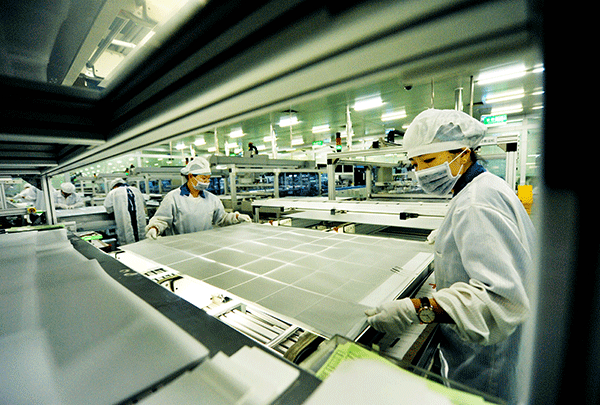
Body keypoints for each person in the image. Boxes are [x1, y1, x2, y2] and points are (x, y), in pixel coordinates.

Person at [364, 109, 535, 403]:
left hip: (486, 360)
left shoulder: (477, 202)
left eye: (429, 160)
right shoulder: (482, 188)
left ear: (463, 154)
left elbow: (499, 299)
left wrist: (416, 309)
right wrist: (450, 234)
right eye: (415, 164)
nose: (421, 172)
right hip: (491, 352)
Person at [145, 157, 251, 239]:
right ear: (191, 176)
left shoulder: (212, 199)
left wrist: (236, 217)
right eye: (203, 178)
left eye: (208, 178)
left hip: (205, 243)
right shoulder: (173, 197)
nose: (206, 182)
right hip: (180, 246)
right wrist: (154, 228)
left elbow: (221, 219)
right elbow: (161, 219)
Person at [104, 178, 147, 245]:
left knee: (127, 240)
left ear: (114, 186)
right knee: (141, 239)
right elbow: (144, 203)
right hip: (139, 220)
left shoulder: (113, 192)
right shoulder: (136, 190)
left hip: (124, 221)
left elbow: (108, 208)